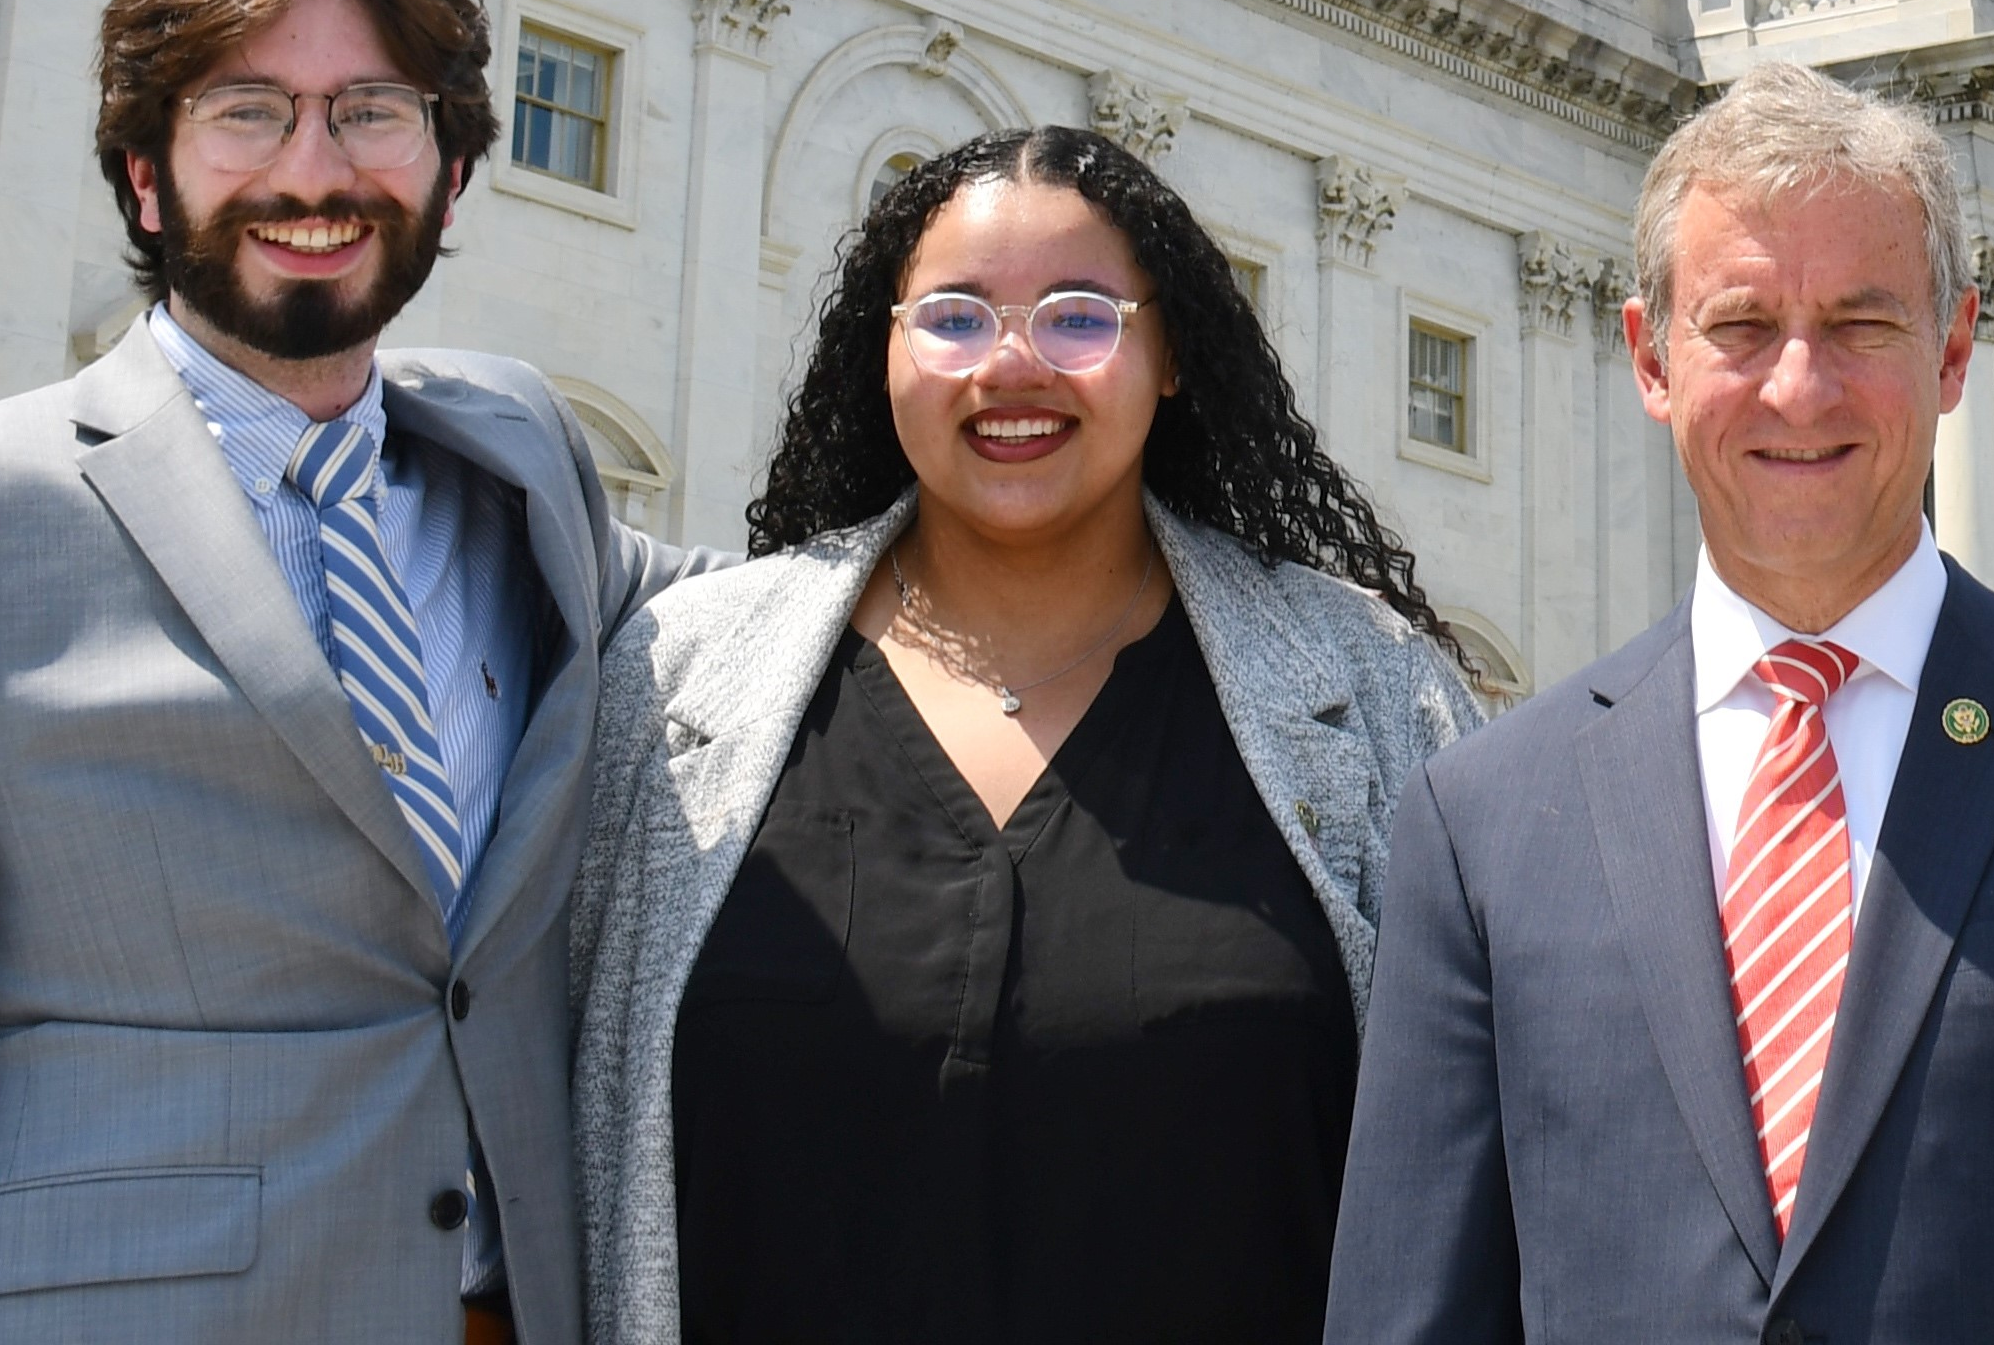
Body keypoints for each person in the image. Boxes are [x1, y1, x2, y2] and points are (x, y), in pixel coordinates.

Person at [0, 0, 703, 1344]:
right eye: (247, 110)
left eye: (373, 111)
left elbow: (773, 618)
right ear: (148, 174)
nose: (313, 171)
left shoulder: (525, 470)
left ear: (453, 174)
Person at [1324, 62, 1994, 1345]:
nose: (1798, 388)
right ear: (1651, 358)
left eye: (1863, 324)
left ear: (1955, 350)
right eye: (1742, 326)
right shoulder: (1481, 821)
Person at [568, 124, 1472, 1345]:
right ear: (882, 351)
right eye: (952, 316)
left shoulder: (1373, 695)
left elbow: (1486, 1161)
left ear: (1170, 356)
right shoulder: (678, 680)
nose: (1012, 366)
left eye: (1081, 317)